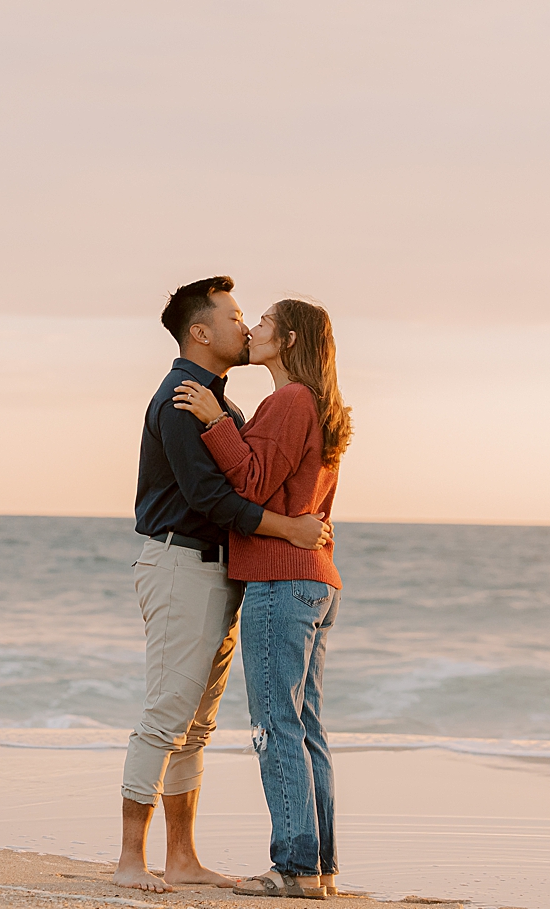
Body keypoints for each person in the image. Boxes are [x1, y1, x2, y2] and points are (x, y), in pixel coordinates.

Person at [115, 276, 335, 894]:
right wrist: (289, 528)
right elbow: (214, 495)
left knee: (197, 725)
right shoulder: (183, 399)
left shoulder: (223, 403)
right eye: (236, 317)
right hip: (181, 563)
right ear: (200, 332)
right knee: (165, 715)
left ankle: (182, 858)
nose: (245, 327)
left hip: (219, 570)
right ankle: (132, 859)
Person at [172, 298, 351, 900]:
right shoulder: (314, 404)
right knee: (305, 728)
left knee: (275, 725)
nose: (253, 330)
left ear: (290, 337)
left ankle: (295, 866)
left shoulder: (290, 399)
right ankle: (319, 868)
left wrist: (213, 420)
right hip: (313, 580)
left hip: (281, 580)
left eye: (266, 323)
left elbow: (250, 482)